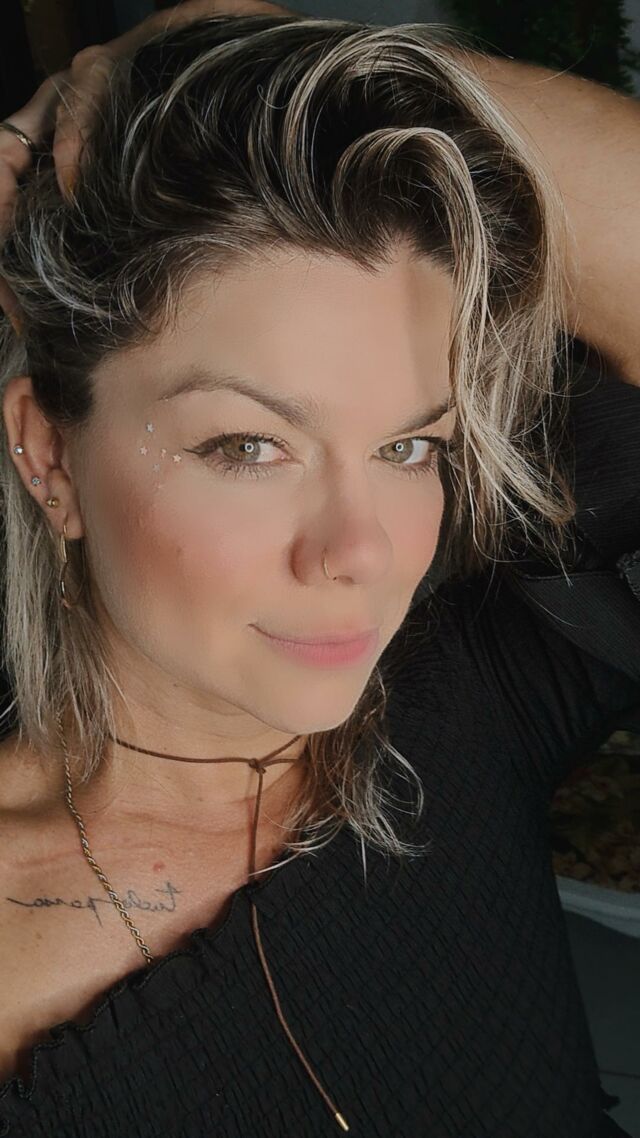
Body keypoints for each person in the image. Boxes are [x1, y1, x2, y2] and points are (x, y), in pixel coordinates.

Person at [0, 4, 637, 1136]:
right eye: (249, 447)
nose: (361, 554)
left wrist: (243, 38)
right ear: (48, 453)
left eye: (409, 448)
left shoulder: (462, 695)